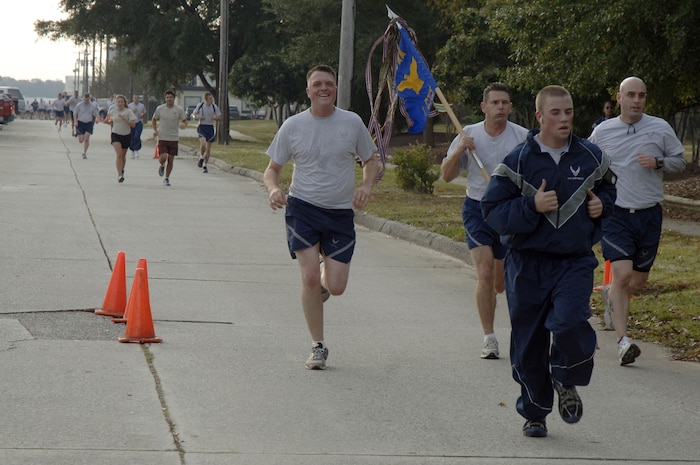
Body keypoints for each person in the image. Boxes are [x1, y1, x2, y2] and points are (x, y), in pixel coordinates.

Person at [481, 85, 617, 438]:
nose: (564, 119)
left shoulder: (591, 156)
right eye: (555, 113)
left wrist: (602, 208)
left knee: (570, 321)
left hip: (572, 261)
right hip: (526, 264)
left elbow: (608, 190)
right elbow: (492, 212)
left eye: (568, 112)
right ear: (539, 116)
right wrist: (531, 206)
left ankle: (565, 376)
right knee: (528, 343)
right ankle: (535, 412)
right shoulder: (518, 161)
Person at [263, 65, 379, 370]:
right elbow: (272, 170)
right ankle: (318, 345)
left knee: (336, 286)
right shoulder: (293, 125)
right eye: (317, 84)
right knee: (309, 276)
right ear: (308, 91)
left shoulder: (351, 122)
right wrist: (273, 189)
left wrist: (366, 185)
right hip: (303, 208)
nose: (323, 88)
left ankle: (323, 286)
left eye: (329, 83)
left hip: (340, 212)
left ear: (335, 89)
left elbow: (370, 160)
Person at [589, 76, 686, 366]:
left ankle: (611, 294)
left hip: (649, 213)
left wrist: (658, 163)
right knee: (621, 276)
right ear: (619, 99)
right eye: (630, 95)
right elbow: (585, 162)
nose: (636, 100)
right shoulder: (603, 131)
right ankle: (623, 341)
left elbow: (680, 161)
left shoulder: (660, 127)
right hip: (616, 213)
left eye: (641, 95)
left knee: (637, 281)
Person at [441, 82, 528, 360]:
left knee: (500, 283)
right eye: (495, 103)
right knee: (485, 272)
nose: (500, 107)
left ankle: (497, 304)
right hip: (477, 208)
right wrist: (459, 151)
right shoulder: (469, 134)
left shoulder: (522, 138)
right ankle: (489, 337)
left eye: (505, 103)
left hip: (508, 212)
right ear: (484, 107)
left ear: (510, 107)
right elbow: (446, 175)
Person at [152, 90, 188, 187]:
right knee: (163, 157)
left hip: (173, 137)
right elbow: (154, 119)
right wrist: (155, 130)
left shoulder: (178, 109)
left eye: (171, 97)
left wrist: (184, 125)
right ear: (165, 98)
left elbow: (185, 120)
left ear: (173, 98)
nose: (169, 99)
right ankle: (162, 165)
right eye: (167, 97)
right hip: (162, 136)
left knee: (171, 159)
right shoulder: (160, 109)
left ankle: (167, 178)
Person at [106, 94, 137, 183]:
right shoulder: (113, 112)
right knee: (119, 154)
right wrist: (106, 122)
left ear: (124, 103)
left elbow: (133, 124)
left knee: (123, 156)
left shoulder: (128, 112)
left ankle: (122, 170)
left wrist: (124, 119)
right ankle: (119, 174)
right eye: (118, 102)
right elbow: (111, 122)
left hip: (126, 135)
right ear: (116, 103)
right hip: (116, 134)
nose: (120, 103)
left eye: (121, 102)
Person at [193, 91, 222, 173]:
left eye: (212, 98)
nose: (211, 100)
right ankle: (201, 157)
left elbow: (220, 117)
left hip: (210, 127)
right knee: (203, 144)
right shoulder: (201, 105)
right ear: (206, 99)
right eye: (210, 99)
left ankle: (205, 165)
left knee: (208, 149)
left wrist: (215, 118)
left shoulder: (214, 107)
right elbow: (194, 114)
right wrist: (198, 116)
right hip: (202, 126)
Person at [73, 93, 99, 159]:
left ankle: (84, 153)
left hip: (89, 123)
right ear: (83, 99)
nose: (86, 101)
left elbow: (96, 114)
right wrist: (75, 121)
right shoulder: (79, 105)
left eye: (87, 100)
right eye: (85, 100)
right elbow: (75, 114)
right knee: (81, 140)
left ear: (89, 99)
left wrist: (96, 119)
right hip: (80, 123)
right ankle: (80, 135)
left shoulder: (92, 106)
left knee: (87, 138)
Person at [128, 94, 147, 159]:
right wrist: (133, 111)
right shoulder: (130, 106)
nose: (136, 99)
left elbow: (144, 112)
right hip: (132, 122)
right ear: (133, 99)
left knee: (137, 136)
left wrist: (142, 115)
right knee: (132, 137)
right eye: (135, 98)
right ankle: (132, 151)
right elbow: (127, 113)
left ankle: (136, 150)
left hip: (138, 122)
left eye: (137, 98)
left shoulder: (141, 106)